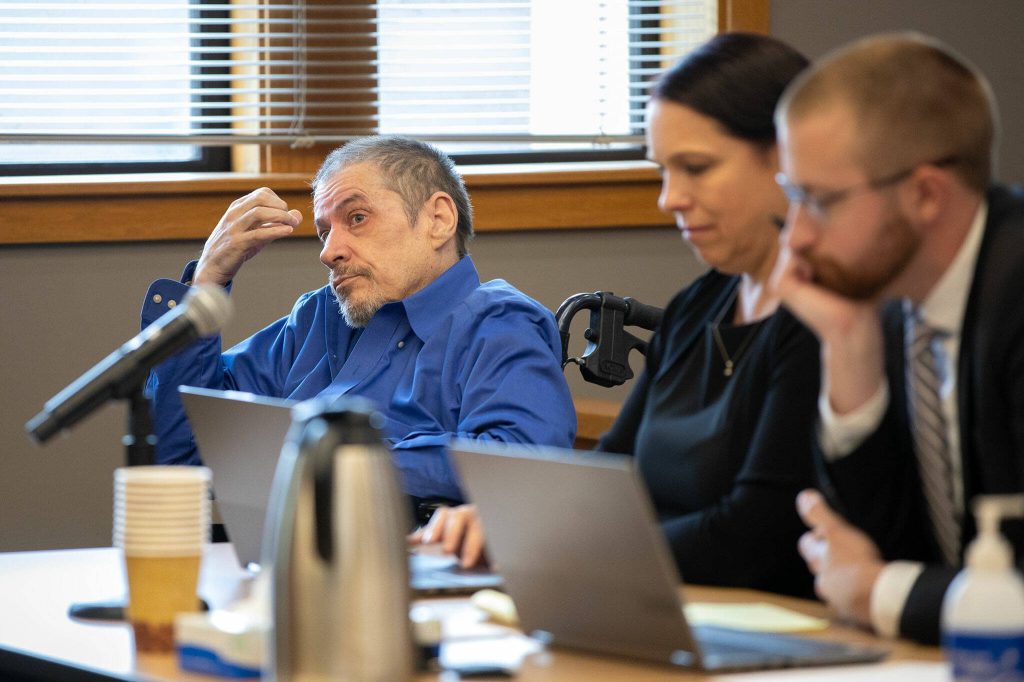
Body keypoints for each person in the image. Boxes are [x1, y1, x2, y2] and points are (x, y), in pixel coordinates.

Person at [413, 33, 819, 598]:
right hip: (661, 604)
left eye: (696, 167)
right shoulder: (699, 306)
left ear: (786, 156)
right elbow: (610, 471)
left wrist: (553, 545)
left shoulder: (828, 318)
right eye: (663, 172)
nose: (669, 198)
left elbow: (752, 536)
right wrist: (507, 521)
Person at [141, 135, 577, 520]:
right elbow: (184, 454)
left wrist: (340, 463)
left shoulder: (497, 323)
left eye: (356, 218)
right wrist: (206, 286)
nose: (329, 252)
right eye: (323, 231)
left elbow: (523, 464)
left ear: (438, 220)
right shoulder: (318, 318)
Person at [773, 32, 1024, 644]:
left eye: (819, 200)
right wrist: (847, 348)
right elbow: (884, 546)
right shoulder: (892, 304)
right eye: (792, 197)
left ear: (925, 194)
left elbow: (880, 578)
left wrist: (880, 591)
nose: (796, 237)